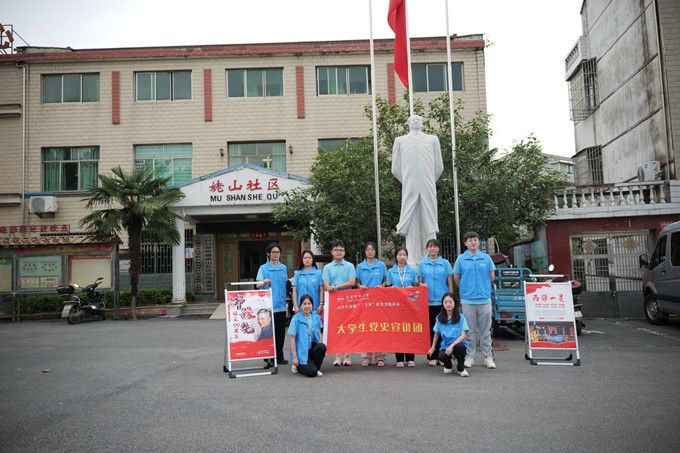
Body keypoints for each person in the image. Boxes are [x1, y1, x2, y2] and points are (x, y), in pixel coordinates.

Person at [391, 115, 443, 266]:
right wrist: (408, 181)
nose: (415, 121)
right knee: (412, 221)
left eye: (418, 119)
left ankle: (430, 256)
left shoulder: (432, 139)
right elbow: (395, 168)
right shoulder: (400, 140)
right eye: (412, 120)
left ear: (422, 122)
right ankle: (412, 257)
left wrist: (427, 180)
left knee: (429, 221)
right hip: (410, 186)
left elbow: (439, 167)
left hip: (427, 185)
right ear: (408, 123)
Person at [453, 231, 497, 369]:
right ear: (465, 243)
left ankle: (488, 357)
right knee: (469, 331)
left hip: (484, 299)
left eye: (475, 240)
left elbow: (492, 277)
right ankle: (469, 356)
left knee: (486, 330)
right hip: (468, 300)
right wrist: (465, 288)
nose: (473, 242)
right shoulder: (461, 259)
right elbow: (456, 277)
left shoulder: (486, 258)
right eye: (470, 240)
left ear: (478, 242)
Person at [417, 238, 454, 366]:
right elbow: (419, 282)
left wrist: (451, 298)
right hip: (427, 302)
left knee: (444, 330)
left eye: (435, 246)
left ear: (438, 248)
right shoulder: (422, 264)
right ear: (427, 249)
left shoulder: (445, 263)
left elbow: (450, 282)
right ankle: (432, 356)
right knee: (431, 329)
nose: (432, 249)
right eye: (430, 246)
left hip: (443, 302)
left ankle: (443, 356)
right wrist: (421, 284)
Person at [322, 240, 356, 366]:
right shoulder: (327, 267)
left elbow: (352, 282)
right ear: (332, 252)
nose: (339, 252)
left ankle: (347, 355)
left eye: (341, 250)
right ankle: (338, 355)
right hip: (334, 303)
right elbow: (326, 285)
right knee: (336, 328)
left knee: (347, 328)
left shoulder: (350, 266)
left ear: (344, 252)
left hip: (348, 302)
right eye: (336, 250)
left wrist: (336, 287)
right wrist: (334, 287)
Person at [256, 242, 288, 367]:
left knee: (280, 332)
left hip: (281, 305)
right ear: (268, 254)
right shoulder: (263, 268)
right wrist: (264, 282)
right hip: (268, 307)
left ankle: (279, 357)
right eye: (273, 252)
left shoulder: (283, 268)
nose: (276, 254)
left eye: (278, 252)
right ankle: (268, 358)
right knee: (268, 333)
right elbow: (258, 285)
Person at [356, 241, 388, 367]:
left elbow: (386, 280)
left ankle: (380, 357)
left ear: (375, 251)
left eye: (372, 249)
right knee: (366, 328)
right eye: (368, 249)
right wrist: (360, 286)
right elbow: (356, 282)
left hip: (379, 302)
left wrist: (382, 285)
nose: (370, 252)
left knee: (380, 328)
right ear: (365, 252)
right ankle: (366, 356)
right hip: (365, 302)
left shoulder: (381, 265)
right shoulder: (360, 266)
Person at [386, 246, 419, 368]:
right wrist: (392, 288)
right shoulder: (391, 271)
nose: (402, 257)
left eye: (404, 255)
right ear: (396, 256)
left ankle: (410, 358)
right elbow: (387, 288)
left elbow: (417, 290)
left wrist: (413, 289)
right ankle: (399, 358)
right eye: (399, 254)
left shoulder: (412, 271)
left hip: (410, 306)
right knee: (397, 331)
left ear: (407, 257)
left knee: (410, 330)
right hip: (396, 306)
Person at [427, 293, 469, 377]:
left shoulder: (461, 317)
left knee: (460, 347)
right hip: (445, 345)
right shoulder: (439, 317)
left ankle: (461, 368)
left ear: (455, 303)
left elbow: (463, 335)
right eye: (445, 302)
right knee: (441, 356)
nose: (448, 304)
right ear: (442, 304)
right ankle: (448, 365)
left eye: (450, 302)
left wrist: (452, 346)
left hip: (457, 344)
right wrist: (433, 347)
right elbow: (436, 333)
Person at [288, 295, 326, 377]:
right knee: (312, 373)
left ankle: (316, 368)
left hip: (312, 348)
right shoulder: (296, 319)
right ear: (300, 305)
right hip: (301, 351)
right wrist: (295, 357)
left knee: (322, 347)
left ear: (312, 305)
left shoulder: (316, 317)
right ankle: (298, 366)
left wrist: (320, 351)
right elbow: (292, 339)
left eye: (309, 303)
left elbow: (320, 333)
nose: (307, 306)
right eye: (304, 304)